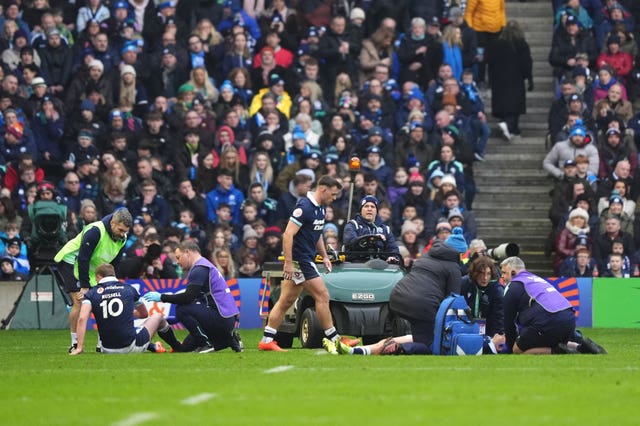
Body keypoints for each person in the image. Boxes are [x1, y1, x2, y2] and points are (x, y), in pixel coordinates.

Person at [258, 175, 358, 352]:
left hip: (304, 259)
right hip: (300, 261)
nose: (334, 198)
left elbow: (316, 233)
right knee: (322, 295)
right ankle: (335, 339)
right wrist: (288, 263)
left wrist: (324, 255)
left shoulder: (319, 209)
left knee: (285, 300)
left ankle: (267, 339)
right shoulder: (304, 207)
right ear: (323, 189)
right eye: (333, 194)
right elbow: (287, 234)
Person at [333, 228, 469, 355]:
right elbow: (453, 299)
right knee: (429, 345)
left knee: (418, 336)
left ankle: (359, 350)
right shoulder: (453, 267)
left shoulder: (427, 256)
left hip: (398, 297)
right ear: (459, 253)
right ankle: (398, 348)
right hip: (422, 305)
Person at [54, 208, 132, 353]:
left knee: (102, 300)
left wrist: (113, 282)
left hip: (92, 267)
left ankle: (102, 343)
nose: (122, 234)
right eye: (120, 230)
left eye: (125, 231)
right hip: (72, 262)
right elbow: (83, 258)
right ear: (113, 222)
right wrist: (84, 286)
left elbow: (114, 263)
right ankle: (75, 343)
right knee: (80, 301)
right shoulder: (95, 231)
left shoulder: (122, 238)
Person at [143, 241, 243, 353]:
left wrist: (161, 297)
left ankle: (206, 344)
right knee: (185, 349)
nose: (177, 262)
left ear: (187, 252)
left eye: (179, 257)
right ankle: (229, 339)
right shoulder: (204, 266)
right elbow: (197, 298)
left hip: (220, 318)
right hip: (224, 319)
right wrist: (177, 318)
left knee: (181, 308)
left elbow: (188, 297)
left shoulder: (200, 269)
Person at [69, 263, 181, 355]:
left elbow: (82, 319)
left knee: (126, 328)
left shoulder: (91, 293)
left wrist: (79, 348)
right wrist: (128, 311)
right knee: (158, 317)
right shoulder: (129, 289)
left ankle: (153, 347)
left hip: (106, 349)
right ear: (113, 274)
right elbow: (143, 314)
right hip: (130, 347)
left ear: (98, 276)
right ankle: (176, 347)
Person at [500, 256, 576, 354]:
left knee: (517, 350)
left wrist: (510, 347)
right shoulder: (536, 279)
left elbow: (509, 322)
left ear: (513, 273)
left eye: (504, 273)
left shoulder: (513, 285)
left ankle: (559, 351)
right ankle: (580, 346)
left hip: (549, 322)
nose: (502, 277)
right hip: (570, 320)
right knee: (546, 340)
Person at [486, 20, 532, 140]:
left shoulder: (495, 44)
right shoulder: (521, 44)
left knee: (503, 106)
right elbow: (526, 62)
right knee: (514, 107)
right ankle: (510, 127)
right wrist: (529, 78)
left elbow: (490, 63)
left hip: (499, 80)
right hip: (516, 80)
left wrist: (490, 80)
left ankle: (511, 129)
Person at [461, 256, 505, 352]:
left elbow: (499, 317)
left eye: (488, 274)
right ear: (475, 273)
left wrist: (494, 340)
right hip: (467, 329)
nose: (485, 278)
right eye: (481, 274)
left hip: (489, 331)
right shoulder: (465, 283)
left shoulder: (497, 290)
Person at [342, 195, 399, 262]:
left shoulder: (386, 229)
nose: (369, 209)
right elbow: (350, 243)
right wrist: (373, 238)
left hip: (380, 266)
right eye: (366, 206)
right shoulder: (352, 225)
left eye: (372, 207)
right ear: (361, 210)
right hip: (356, 264)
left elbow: (393, 249)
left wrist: (392, 257)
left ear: (376, 211)